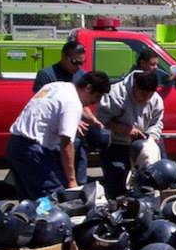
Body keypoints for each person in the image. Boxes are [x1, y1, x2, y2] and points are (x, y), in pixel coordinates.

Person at [8, 71, 111, 199]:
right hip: (33, 151)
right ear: (88, 88)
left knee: (28, 202)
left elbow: (55, 107)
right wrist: (72, 180)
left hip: (15, 145)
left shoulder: (57, 86)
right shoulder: (73, 103)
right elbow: (66, 144)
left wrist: (90, 118)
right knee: (53, 198)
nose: (94, 103)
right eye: (96, 97)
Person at [33, 40, 103, 185]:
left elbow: (82, 104)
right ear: (64, 57)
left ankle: (80, 184)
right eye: (75, 62)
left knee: (80, 152)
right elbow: (44, 107)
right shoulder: (47, 75)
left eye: (82, 63)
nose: (79, 67)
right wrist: (72, 122)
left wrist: (92, 119)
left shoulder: (82, 76)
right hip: (52, 138)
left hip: (76, 137)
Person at [96, 71, 165, 198]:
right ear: (134, 87)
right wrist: (124, 129)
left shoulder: (156, 100)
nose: (147, 99)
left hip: (143, 143)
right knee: (117, 185)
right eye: (143, 94)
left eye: (150, 95)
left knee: (155, 178)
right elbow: (100, 120)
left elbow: (157, 123)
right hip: (116, 143)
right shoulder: (116, 95)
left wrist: (153, 136)